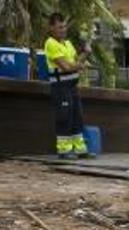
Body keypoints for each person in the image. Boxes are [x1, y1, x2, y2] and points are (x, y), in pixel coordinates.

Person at [44, 13, 91, 159]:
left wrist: (86, 53)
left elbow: (76, 62)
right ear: (51, 27)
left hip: (72, 86)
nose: (63, 30)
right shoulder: (50, 43)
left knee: (77, 116)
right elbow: (67, 67)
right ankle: (64, 150)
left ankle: (80, 149)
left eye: (64, 26)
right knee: (64, 117)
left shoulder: (68, 44)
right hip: (60, 87)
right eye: (59, 27)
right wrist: (79, 66)